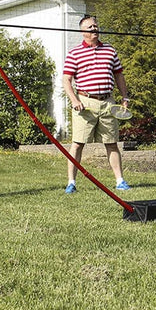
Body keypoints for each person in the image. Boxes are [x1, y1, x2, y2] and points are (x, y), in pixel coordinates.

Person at [62, 15, 131, 194]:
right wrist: (74, 100)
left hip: (108, 102)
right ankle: (71, 183)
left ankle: (120, 181)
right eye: (90, 27)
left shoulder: (110, 50)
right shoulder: (74, 53)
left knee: (111, 143)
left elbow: (119, 75)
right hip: (84, 102)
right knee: (77, 144)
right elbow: (66, 80)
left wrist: (125, 97)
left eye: (96, 26)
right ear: (82, 31)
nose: (95, 29)